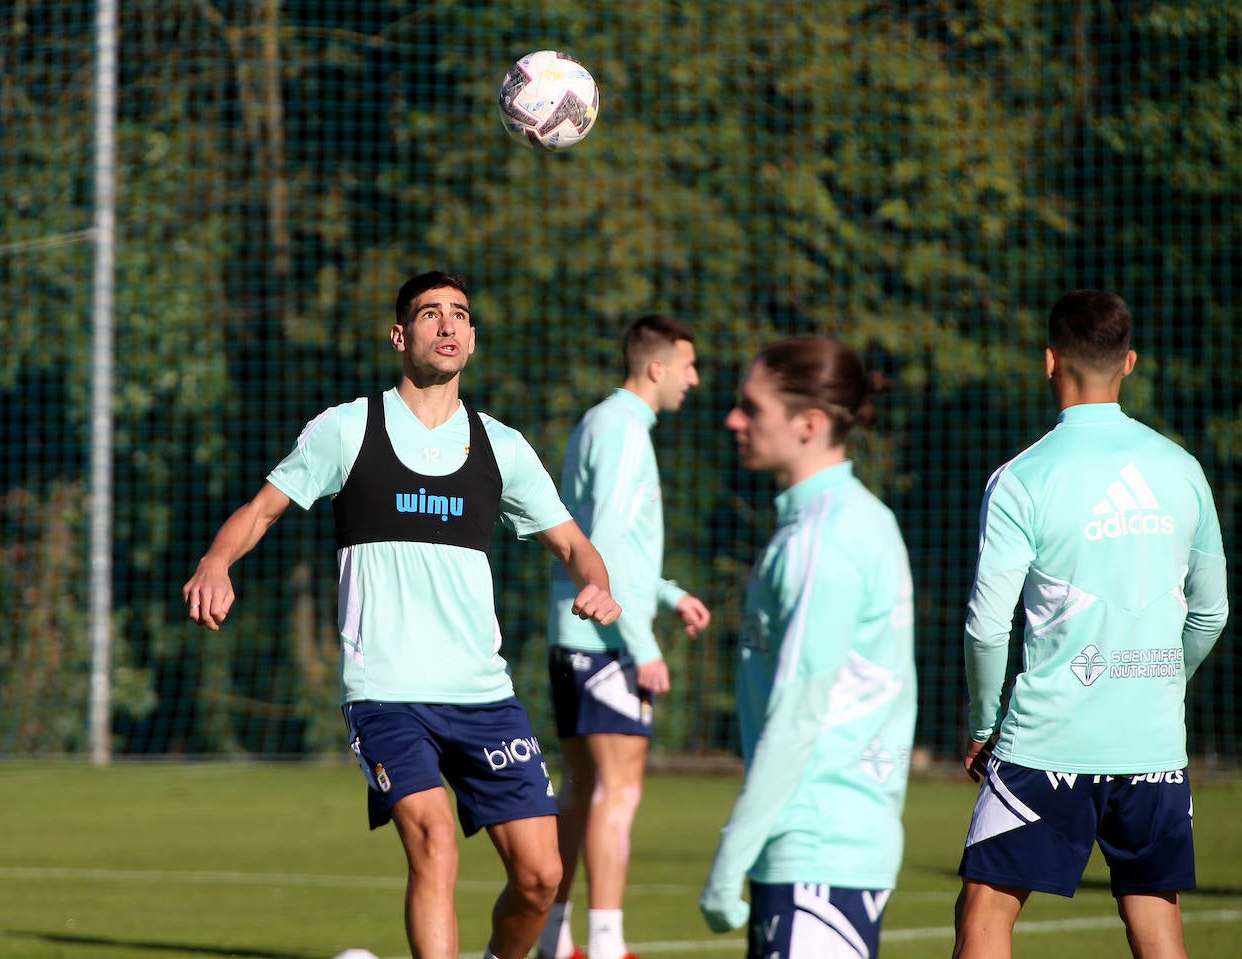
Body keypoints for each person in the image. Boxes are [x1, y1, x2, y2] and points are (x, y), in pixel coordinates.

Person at [182, 271, 623, 959]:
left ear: (472, 340)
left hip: (483, 695)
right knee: (434, 841)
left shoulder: (501, 446)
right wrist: (216, 561)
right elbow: (263, 508)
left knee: (541, 876)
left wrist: (596, 582)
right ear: (400, 335)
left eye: (460, 315)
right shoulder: (348, 428)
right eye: (429, 314)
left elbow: (574, 545)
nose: (447, 326)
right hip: (386, 693)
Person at [953, 290, 1229, 959]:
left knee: (985, 909)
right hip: (1152, 741)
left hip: (1049, 738)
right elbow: (1211, 610)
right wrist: (1163, 679)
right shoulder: (1181, 470)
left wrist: (987, 724)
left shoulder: (1022, 479)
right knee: (1157, 923)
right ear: (1129, 362)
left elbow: (988, 626)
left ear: (1050, 361)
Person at [700, 336, 917, 958]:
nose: (732, 420)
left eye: (751, 407)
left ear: (809, 425)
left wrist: (725, 867)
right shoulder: (859, 520)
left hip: (816, 845)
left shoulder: (826, 541)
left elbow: (797, 720)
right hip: (835, 845)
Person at [539, 315, 713, 959]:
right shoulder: (624, 430)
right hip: (607, 644)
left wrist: (669, 594)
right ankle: (607, 945)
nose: (694, 379)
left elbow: (611, 544)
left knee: (583, 789)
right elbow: (605, 542)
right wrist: (644, 646)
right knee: (620, 789)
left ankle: (554, 941)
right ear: (657, 367)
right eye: (688, 366)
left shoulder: (600, 422)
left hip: (576, 634)